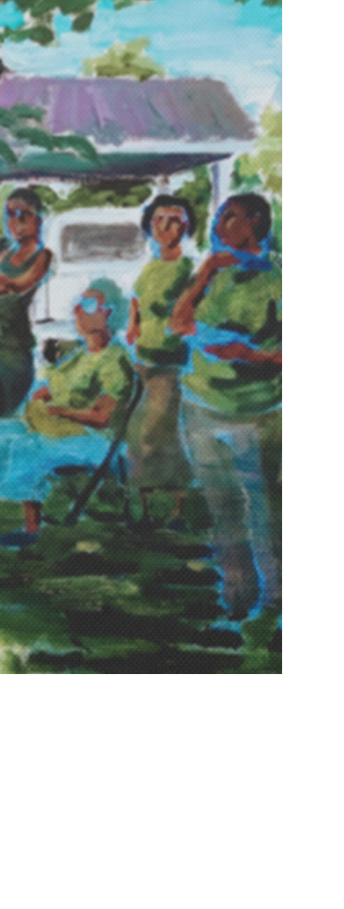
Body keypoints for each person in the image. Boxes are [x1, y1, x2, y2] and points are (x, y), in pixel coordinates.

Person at [171, 194, 282, 622]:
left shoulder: (275, 277)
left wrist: (248, 354)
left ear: (255, 223)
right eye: (219, 215)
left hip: (255, 411)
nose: (219, 222)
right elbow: (179, 323)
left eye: (230, 216)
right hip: (201, 405)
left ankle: (275, 594)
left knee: (263, 505)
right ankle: (236, 592)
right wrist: (204, 273)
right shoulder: (213, 271)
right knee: (221, 507)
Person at [0, 280, 135, 548]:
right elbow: (55, 386)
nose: (77, 309)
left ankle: (31, 528)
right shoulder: (80, 354)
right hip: (51, 425)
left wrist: (58, 410)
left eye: (87, 304)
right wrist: (46, 396)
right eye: (78, 303)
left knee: (25, 448)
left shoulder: (114, 360)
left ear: (108, 313)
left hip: (90, 438)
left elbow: (102, 418)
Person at [126, 195, 197, 529]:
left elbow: (189, 312)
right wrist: (132, 326)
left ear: (185, 226)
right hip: (142, 358)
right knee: (138, 430)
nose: (166, 227)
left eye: (174, 220)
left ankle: (178, 508)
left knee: (162, 432)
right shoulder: (150, 266)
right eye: (159, 220)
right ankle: (143, 506)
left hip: (169, 362)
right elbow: (137, 300)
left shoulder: (187, 268)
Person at [0, 187, 54, 419]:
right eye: (10, 213)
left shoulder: (41, 255)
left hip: (12, 350)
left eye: (24, 214)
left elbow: (21, 284)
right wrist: (0, 283)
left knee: (11, 415)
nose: (16, 220)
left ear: (37, 218)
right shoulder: (3, 255)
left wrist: (4, 283)